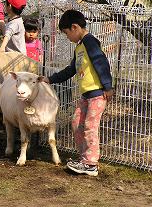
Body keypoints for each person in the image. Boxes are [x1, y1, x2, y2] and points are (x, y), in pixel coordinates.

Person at [44, 10, 114, 176]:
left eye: (67, 33)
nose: (67, 37)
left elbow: (101, 62)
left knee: (90, 127)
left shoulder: (90, 42)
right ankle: (84, 159)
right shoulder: (79, 47)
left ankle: (91, 163)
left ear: (74, 27)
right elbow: (71, 70)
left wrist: (107, 86)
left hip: (97, 94)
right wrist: (50, 79)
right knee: (77, 123)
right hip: (85, 96)